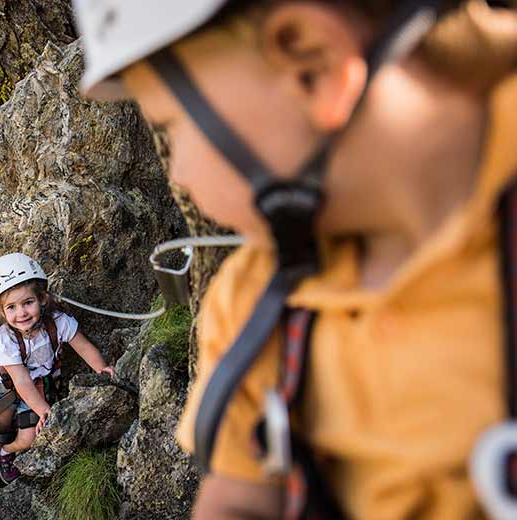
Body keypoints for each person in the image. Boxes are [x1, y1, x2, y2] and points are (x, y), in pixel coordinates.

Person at [73, 0, 517, 518]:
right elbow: (239, 497)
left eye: (170, 128)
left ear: (310, 62)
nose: (182, 176)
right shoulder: (254, 307)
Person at [0, 252, 115, 509]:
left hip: (35, 387)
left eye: (28, 302)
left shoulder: (58, 323)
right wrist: (43, 410)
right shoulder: (4, 338)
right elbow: (20, 380)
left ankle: (8, 453)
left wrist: (101, 368)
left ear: (42, 298)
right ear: (2, 312)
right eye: (11, 307)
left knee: (28, 439)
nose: (21, 313)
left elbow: (83, 347)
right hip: (4, 387)